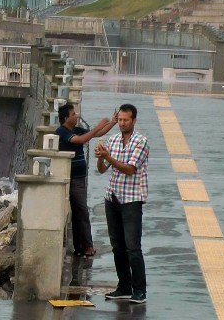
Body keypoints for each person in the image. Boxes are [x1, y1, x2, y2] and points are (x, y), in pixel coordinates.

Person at [95, 104, 149, 304]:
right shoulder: (114, 140)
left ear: (134, 121)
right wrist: (101, 158)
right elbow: (102, 170)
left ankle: (139, 290)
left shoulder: (140, 142)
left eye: (126, 120)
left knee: (132, 247)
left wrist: (108, 156)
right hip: (113, 198)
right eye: (119, 120)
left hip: (132, 200)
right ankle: (124, 286)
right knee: (117, 246)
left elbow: (130, 169)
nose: (122, 123)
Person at [56, 103, 117, 257]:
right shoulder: (62, 132)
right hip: (66, 177)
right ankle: (86, 246)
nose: (76, 116)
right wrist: (98, 126)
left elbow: (98, 134)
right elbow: (81, 140)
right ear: (66, 118)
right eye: (73, 114)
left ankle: (83, 246)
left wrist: (113, 122)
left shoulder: (75, 129)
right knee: (81, 212)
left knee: (80, 212)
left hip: (78, 178)